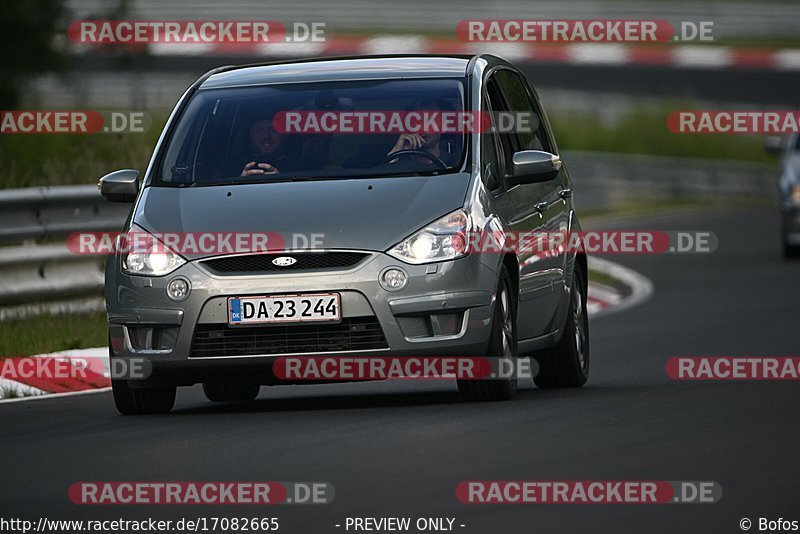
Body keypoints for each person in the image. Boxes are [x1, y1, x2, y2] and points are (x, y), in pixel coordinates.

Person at [385, 98, 459, 167]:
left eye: (429, 121)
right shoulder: (401, 163)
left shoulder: (454, 163)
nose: (422, 128)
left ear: (443, 126)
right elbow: (386, 177)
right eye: (416, 122)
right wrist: (397, 150)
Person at [215, 115, 289, 179]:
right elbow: (216, 193)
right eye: (259, 130)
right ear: (251, 134)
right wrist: (239, 183)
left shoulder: (298, 166)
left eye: (273, 129)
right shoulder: (229, 166)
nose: (266, 136)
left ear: (284, 134)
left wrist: (281, 181)